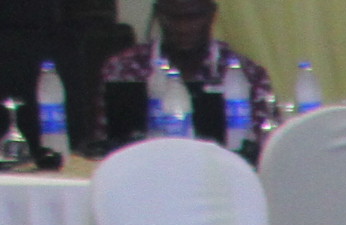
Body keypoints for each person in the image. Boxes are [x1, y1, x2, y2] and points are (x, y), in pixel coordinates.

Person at [96, 0, 265, 148]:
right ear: (158, 14)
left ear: (212, 14)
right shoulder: (124, 68)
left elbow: (265, 145)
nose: (183, 28)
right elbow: (104, 143)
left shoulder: (246, 73)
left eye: (193, 17)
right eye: (174, 18)